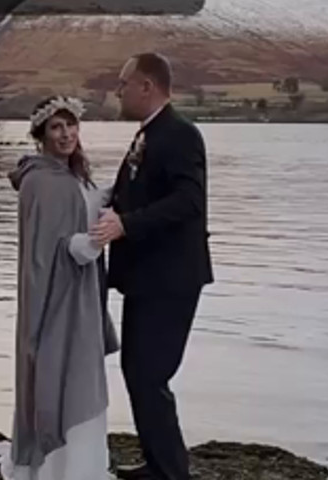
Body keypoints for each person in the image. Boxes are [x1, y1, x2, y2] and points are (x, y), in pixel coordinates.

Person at [92, 53, 214, 480]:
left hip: (171, 278)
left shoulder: (180, 135)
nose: (118, 90)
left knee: (150, 374)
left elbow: (188, 201)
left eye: (124, 83)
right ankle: (158, 463)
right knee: (138, 371)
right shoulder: (149, 134)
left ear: (147, 86)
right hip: (146, 279)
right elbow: (133, 193)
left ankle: (171, 472)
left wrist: (127, 225)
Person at [0, 95, 120, 480]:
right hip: (57, 301)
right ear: (41, 135)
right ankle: (57, 471)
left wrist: (129, 184)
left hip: (76, 297)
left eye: (71, 126)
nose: (66, 134)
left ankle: (82, 466)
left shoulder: (71, 176)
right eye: (56, 128)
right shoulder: (41, 182)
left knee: (79, 376)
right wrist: (96, 242)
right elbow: (53, 250)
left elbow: (87, 205)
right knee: (64, 375)